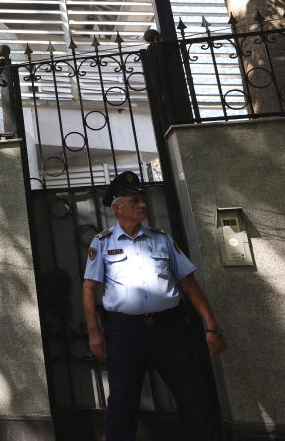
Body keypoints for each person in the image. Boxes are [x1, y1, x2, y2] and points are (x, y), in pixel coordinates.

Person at [83, 170, 229, 441]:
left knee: (192, 396)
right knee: (122, 404)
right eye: (135, 200)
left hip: (170, 330)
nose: (143, 205)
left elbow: (189, 283)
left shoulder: (162, 239)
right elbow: (89, 289)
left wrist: (212, 325)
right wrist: (94, 333)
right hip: (124, 334)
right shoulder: (102, 243)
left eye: (142, 199)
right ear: (117, 208)